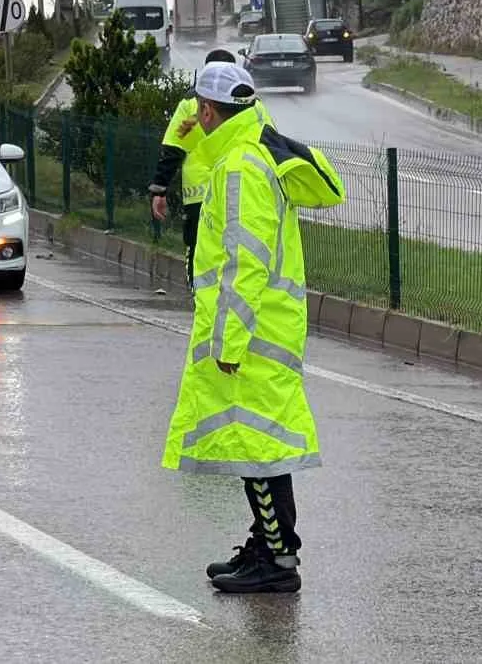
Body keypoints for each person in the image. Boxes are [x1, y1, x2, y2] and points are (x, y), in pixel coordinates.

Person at [160, 62, 346, 594]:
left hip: (255, 332)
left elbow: (246, 260)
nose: (194, 117)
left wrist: (230, 340)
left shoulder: (240, 166)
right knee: (254, 444)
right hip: (265, 326)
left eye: (199, 108)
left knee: (257, 448)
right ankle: (269, 548)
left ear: (210, 110)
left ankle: (277, 561)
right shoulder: (250, 153)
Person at [148, 49, 271, 288]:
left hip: (200, 195)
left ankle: (202, 297)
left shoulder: (189, 104)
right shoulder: (256, 107)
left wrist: (159, 190)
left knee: (200, 252)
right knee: (243, 251)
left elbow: (172, 150)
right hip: (247, 191)